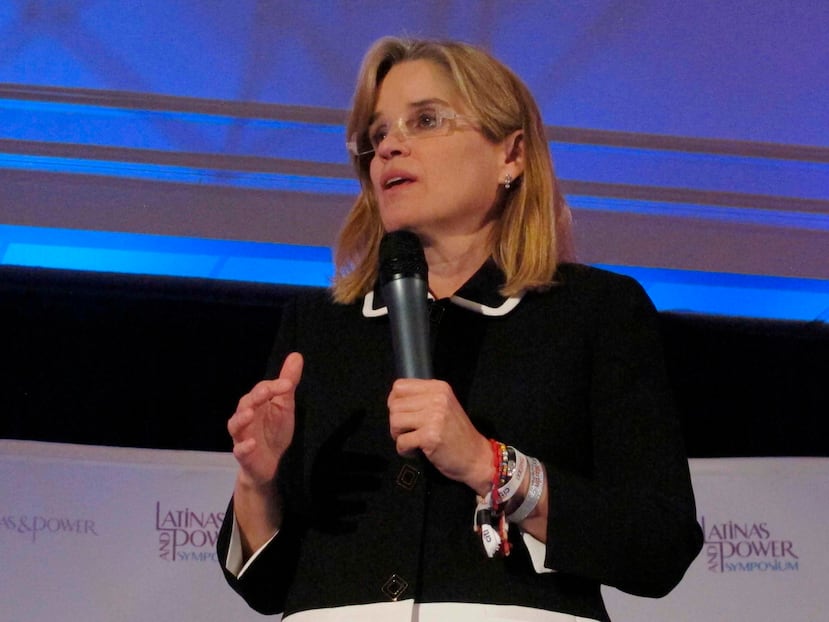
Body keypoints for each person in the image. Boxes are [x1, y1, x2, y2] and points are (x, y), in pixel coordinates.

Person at [217, 36, 703, 621]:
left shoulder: (596, 311)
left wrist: (489, 466)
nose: (390, 146)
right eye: (375, 137)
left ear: (511, 155)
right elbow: (268, 588)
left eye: (424, 120)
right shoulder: (320, 327)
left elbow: (660, 544)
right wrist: (258, 481)